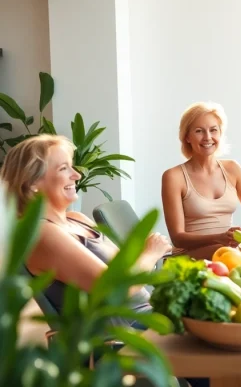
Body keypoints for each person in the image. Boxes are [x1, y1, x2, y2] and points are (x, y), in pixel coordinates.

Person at [0, 135, 170, 327]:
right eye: (64, 168)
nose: (77, 175)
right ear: (33, 184)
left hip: (150, 314)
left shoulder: (77, 219)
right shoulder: (42, 233)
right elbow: (115, 289)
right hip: (125, 337)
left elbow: (123, 268)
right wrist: (151, 253)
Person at [161, 102, 241, 260]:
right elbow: (177, 238)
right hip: (188, 259)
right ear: (187, 137)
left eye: (213, 130)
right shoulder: (173, 177)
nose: (208, 137)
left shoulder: (232, 169)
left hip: (227, 256)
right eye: (199, 131)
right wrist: (219, 237)